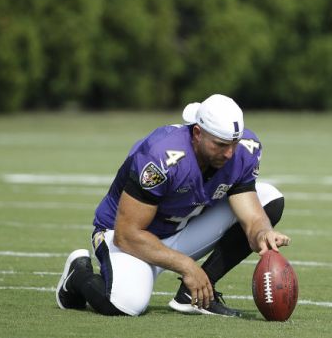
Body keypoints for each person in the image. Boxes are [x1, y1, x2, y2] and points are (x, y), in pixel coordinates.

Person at [55, 94, 290, 317]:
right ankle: (78, 274)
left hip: (180, 228)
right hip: (130, 238)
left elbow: (251, 215)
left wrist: (262, 233)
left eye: (234, 144)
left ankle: (193, 295)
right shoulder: (161, 156)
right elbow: (127, 235)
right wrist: (187, 266)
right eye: (220, 144)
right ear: (197, 133)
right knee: (124, 304)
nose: (229, 153)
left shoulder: (244, 150)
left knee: (268, 197)